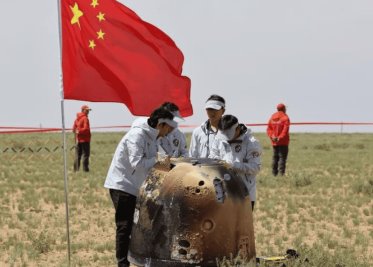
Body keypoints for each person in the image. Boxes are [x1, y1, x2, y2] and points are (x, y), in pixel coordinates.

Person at [104, 107, 177, 267]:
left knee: (139, 226)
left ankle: (138, 259)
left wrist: (172, 165)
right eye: (168, 127)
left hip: (137, 187)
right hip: (122, 185)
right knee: (124, 226)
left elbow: (155, 163)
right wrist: (160, 159)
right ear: (160, 125)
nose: (169, 131)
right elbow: (137, 163)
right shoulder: (136, 135)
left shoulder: (154, 137)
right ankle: (122, 264)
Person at [209, 114, 261, 210]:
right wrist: (217, 162)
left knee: (242, 225)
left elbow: (255, 168)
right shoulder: (219, 139)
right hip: (223, 193)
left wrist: (233, 165)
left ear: (237, 129)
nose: (226, 139)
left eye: (229, 135)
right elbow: (212, 155)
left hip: (244, 194)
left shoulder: (251, 142)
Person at [266, 103, 290, 176]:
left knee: (275, 158)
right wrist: (280, 137)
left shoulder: (272, 117)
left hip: (274, 142)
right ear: (284, 109)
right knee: (282, 158)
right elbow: (285, 130)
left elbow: (269, 129)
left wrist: (272, 137)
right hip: (283, 142)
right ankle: (281, 174)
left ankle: (274, 173)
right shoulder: (285, 118)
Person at [72, 105, 91, 172]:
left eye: (89, 110)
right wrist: (80, 131)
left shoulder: (77, 119)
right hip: (85, 140)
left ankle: (75, 170)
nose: (88, 111)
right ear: (83, 110)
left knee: (78, 155)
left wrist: (77, 131)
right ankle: (86, 170)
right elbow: (86, 129)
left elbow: (73, 129)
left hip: (78, 140)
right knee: (86, 155)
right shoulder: (85, 118)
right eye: (87, 110)